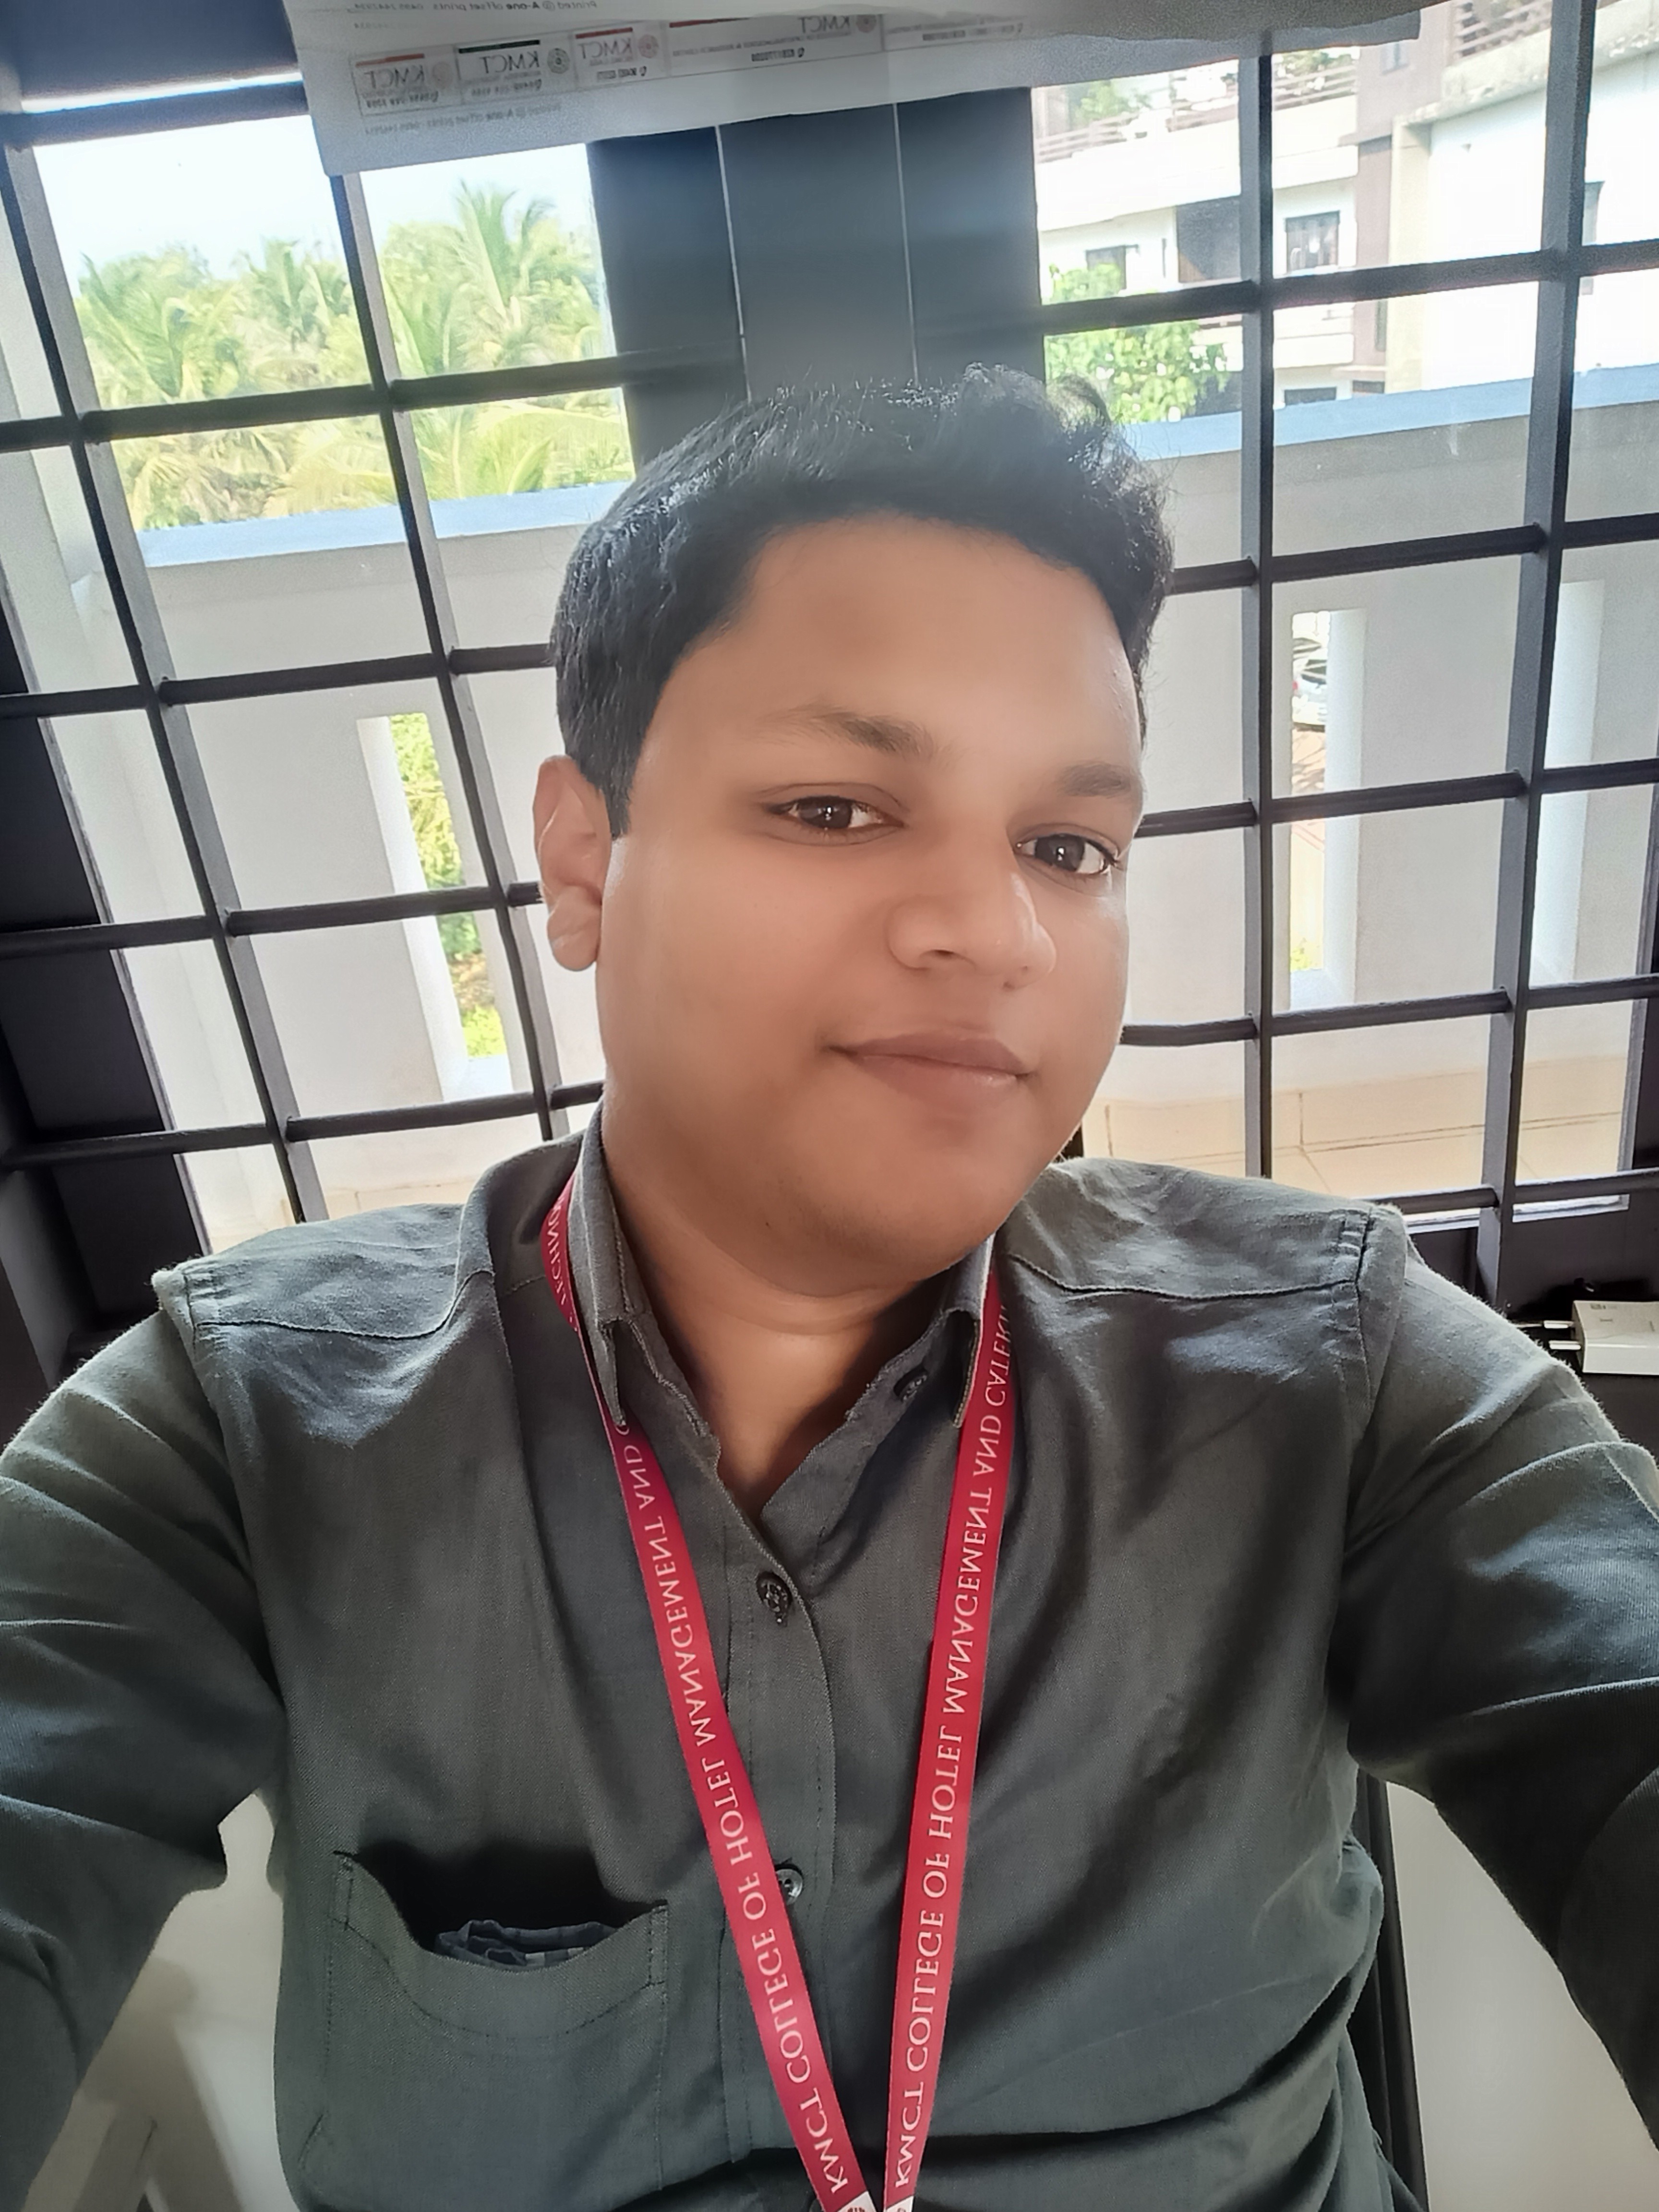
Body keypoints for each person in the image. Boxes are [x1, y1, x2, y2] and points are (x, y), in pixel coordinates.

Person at [1, 369, 1657, 2212]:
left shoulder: (1336, 1373)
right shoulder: (237, 1437)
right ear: (581, 859)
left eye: (1067, 848)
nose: (994, 931)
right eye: (837, 807)